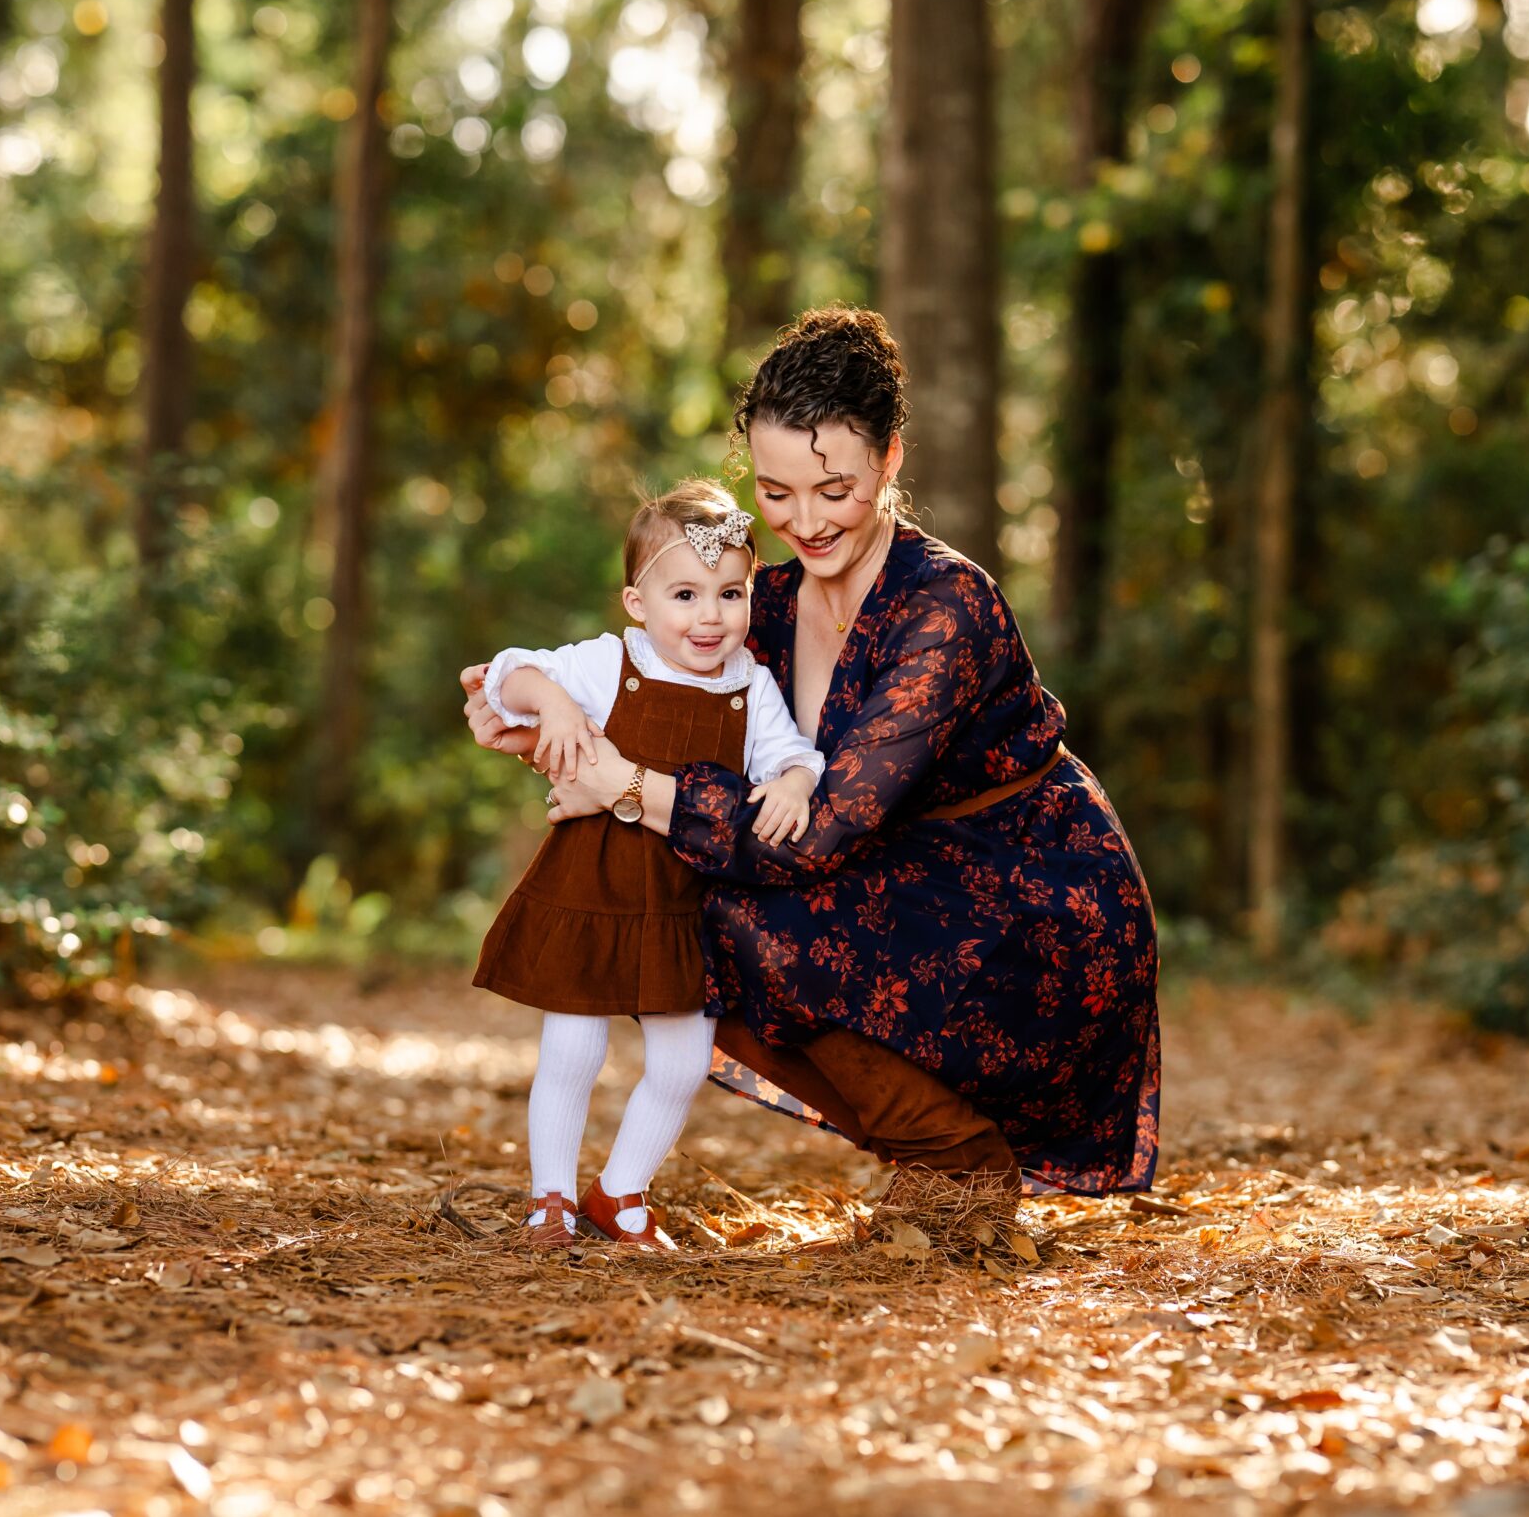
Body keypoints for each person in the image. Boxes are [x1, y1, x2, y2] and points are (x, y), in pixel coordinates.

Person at [465, 307, 1159, 1224]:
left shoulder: (945, 605)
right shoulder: (764, 602)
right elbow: (676, 729)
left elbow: (815, 832)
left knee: (732, 907)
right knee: (659, 893)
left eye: (834, 490)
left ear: (890, 459)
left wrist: (624, 787)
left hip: (1021, 905)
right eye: (775, 492)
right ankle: (932, 1146)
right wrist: (549, 729)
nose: (804, 521)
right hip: (896, 878)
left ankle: (957, 1158)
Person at [474, 477, 825, 1249]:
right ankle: (550, 1197)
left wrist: (795, 780)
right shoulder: (612, 662)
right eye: (686, 595)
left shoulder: (749, 686)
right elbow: (508, 672)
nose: (710, 616)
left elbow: (793, 753)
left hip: (682, 896)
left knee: (682, 1060)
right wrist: (554, 702)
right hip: (593, 879)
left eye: (730, 594)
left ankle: (620, 1190)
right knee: (573, 1048)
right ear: (638, 603)